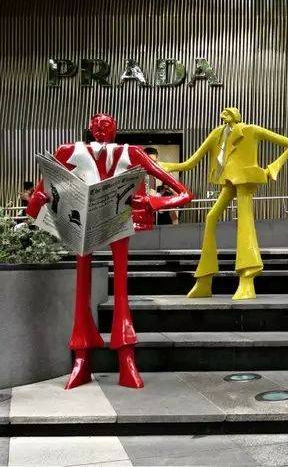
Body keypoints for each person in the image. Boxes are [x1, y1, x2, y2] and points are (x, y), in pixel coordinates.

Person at [26, 113, 192, 389]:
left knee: (121, 288)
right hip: (82, 223)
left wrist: (151, 203)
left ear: (115, 128)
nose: (101, 128)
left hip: (119, 221)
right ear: (90, 129)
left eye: (106, 124)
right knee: (82, 286)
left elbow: (184, 193)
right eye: (96, 125)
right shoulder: (68, 151)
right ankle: (82, 355)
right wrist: (39, 200)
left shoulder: (132, 153)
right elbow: (35, 204)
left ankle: (125, 353)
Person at [162, 107, 288, 300]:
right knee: (211, 218)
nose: (223, 115)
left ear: (234, 115)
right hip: (229, 180)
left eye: (227, 112)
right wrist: (167, 166)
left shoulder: (250, 130)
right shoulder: (217, 134)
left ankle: (247, 279)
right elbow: (191, 162)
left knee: (245, 222)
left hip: (245, 180)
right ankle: (204, 279)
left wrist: (271, 169)